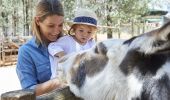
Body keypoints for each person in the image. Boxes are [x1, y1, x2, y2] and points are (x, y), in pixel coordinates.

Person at [16, 0, 65, 96]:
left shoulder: (67, 43)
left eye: (60, 25)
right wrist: (58, 81)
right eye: (51, 26)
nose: (56, 31)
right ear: (38, 21)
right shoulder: (26, 51)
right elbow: (28, 91)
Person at [48, 8, 98, 78]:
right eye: (81, 30)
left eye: (89, 32)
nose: (85, 35)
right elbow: (52, 46)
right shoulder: (67, 40)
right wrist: (61, 53)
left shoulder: (91, 44)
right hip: (64, 78)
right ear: (74, 29)